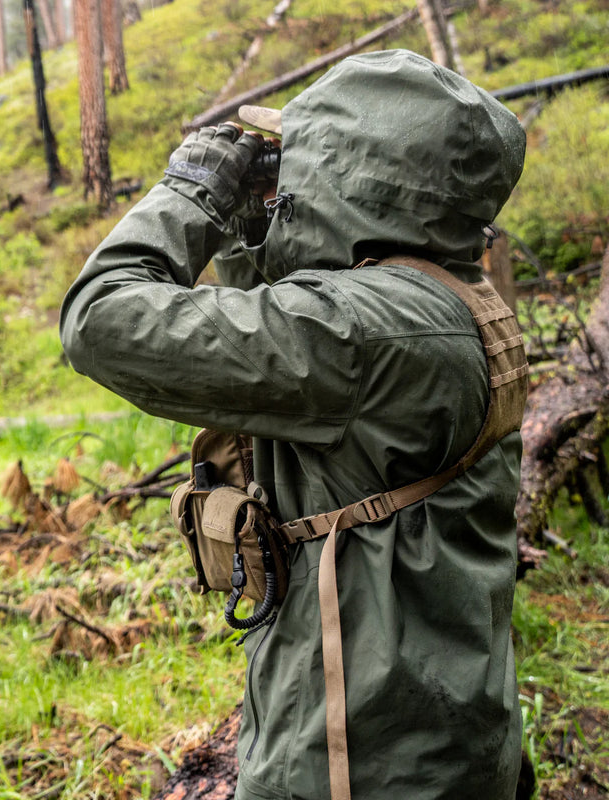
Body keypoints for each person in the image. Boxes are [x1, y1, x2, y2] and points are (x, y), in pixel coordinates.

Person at [60, 49, 527, 800]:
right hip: (436, 731)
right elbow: (293, 372)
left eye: (304, 162)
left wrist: (189, 198)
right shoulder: (447, 298)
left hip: (357, 761)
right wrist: (259, 231)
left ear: (353, 177)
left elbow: (101, 323)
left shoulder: (361, 330)